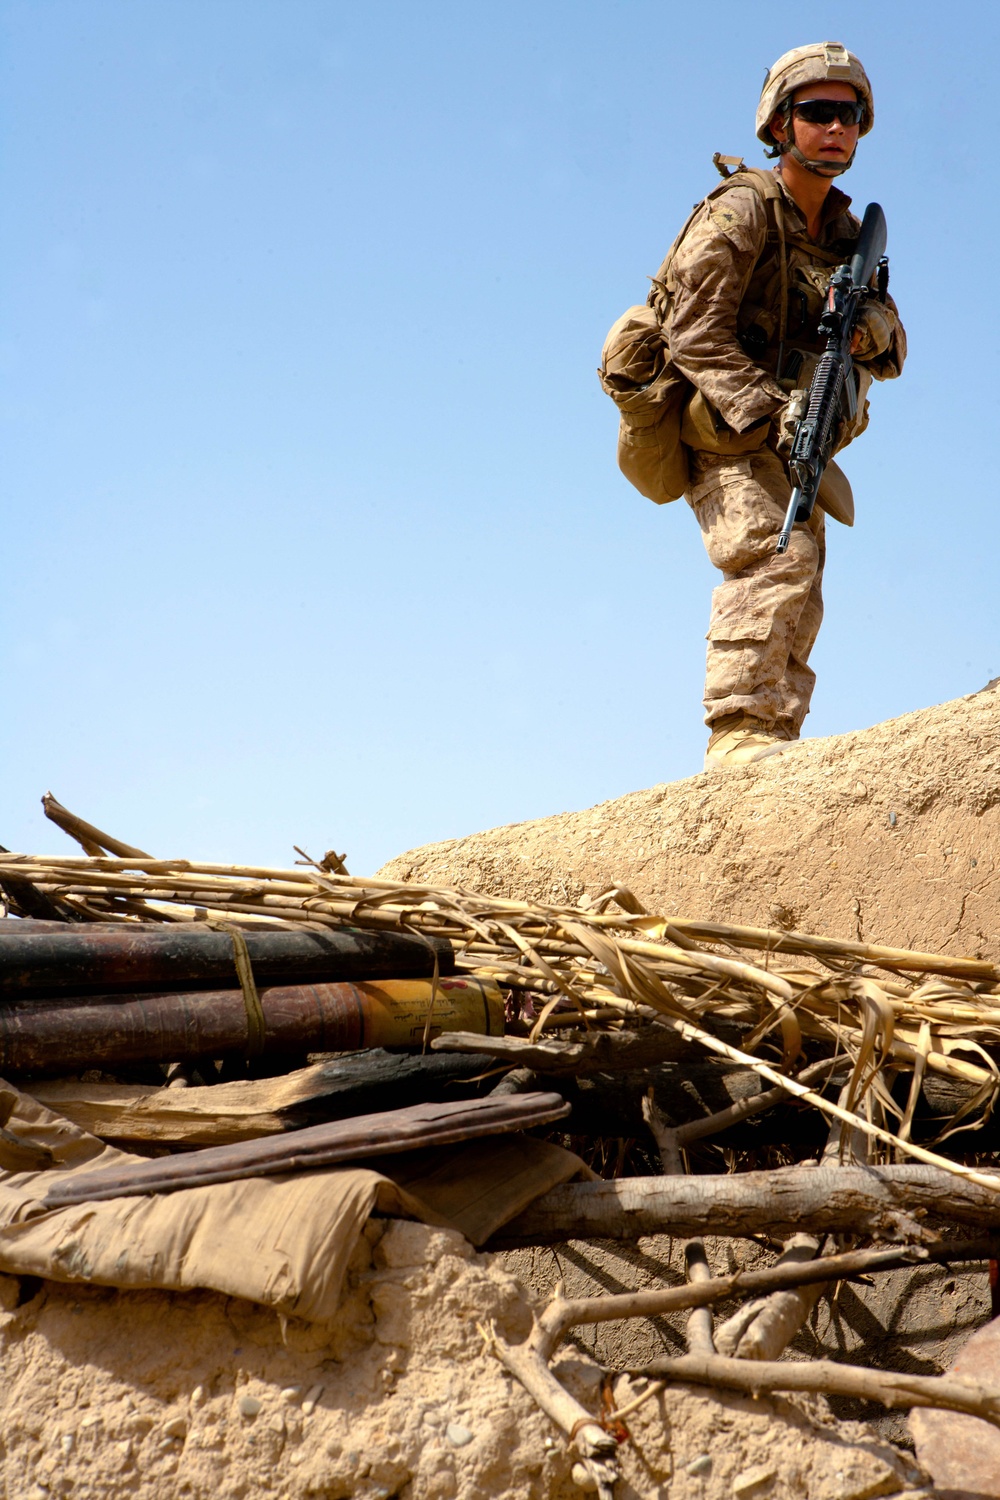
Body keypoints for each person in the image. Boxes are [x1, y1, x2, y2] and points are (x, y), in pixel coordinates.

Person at [651, 43, 906, 769]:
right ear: (780, 124)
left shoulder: (849, 239)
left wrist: (868, 326)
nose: (836, 128)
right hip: (728, 428)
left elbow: (894, 348)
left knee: (805, 580)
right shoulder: (742, 211)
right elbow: (690, 335)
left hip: (797, 433)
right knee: (773, 553)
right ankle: (738, 731)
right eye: (817, 112)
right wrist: (772, 410)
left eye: (849, 115)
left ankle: (773, 741)